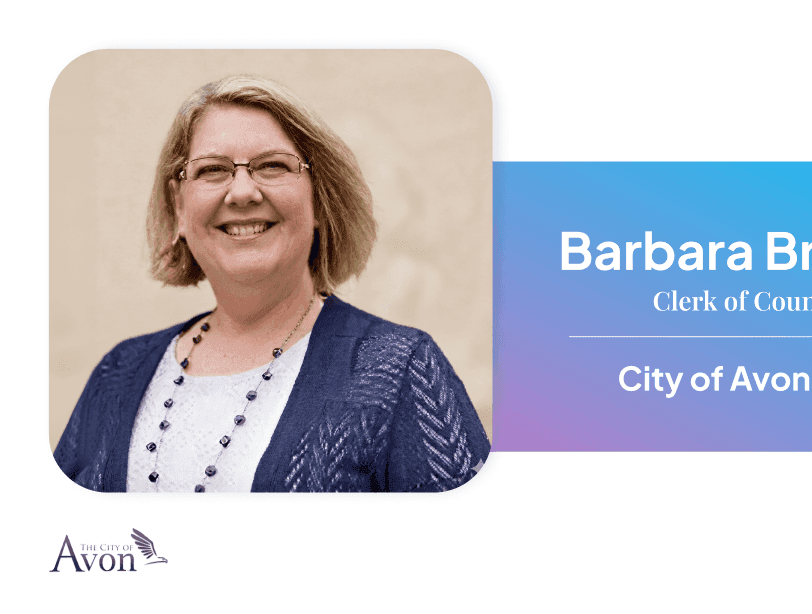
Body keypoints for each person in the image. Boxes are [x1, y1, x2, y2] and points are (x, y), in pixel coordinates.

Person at [54, 75, 490, 493]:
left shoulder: (399, 370)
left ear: (319, 200)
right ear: (178, 206)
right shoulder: (118, 373)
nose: (242, 191)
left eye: (273, 166)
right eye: (212, 170)